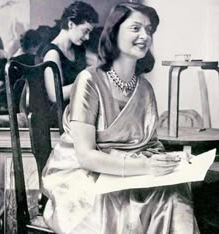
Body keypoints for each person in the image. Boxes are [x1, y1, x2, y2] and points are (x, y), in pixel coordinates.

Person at [42, 2, 200, 234]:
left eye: (149, 30)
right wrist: (145, 165)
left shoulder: (145, 89)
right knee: (116, 203)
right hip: (85, 176)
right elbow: (85, 156)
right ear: (114, 32)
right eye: (135, 28)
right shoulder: (89, 81)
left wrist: (169, 162)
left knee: (175, 195)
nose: (144, 36)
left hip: (132, 175)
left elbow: (149, 145)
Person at [41, 1, 99, 126]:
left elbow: (99, 65)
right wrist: (86, 83)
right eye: (85, 31)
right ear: (71, 24)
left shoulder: (77, 49)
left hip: (76, 112)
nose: (87, 37)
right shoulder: (52, 53)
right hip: (58, 117)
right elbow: (55, 96)